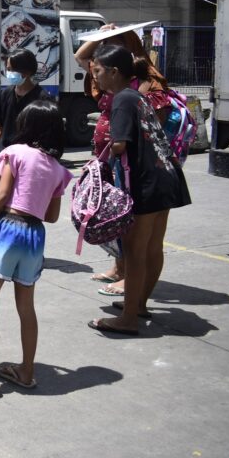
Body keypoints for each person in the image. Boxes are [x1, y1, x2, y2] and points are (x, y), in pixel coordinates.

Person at [0, 101, 72, 394]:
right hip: (34, 234)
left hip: (8, 228)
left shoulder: (15, 153)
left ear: (26, 126)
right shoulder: (58, 169)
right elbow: (52, 216)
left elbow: (2, 193)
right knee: (26, 306)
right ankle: (26, 370)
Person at [87, 45, 191, 337]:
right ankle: (139, 305)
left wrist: (95, 166)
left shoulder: (121, 100)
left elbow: (118, 144)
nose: (95, 78)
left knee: (134, 251)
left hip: (146, 184)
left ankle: (129, 318)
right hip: (167, 177)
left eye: (97, 72)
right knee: (152, 247)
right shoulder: (137, 97)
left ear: (114, 72)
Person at [74, 24, 171, 293]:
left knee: (139, 239)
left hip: (136, 168)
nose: (94, 70)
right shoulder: (111, 81)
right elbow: (81, 57)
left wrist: (114, 150)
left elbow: (146, 130)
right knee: (119, 222)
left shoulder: (137, 88)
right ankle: (126, 281)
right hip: (121, 164)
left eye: (111, 43)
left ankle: (132, 295)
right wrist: (98, 36)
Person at [0, 49, 52, 153]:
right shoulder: (5, 94)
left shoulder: (42, 99)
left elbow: (46, 134)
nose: (8, 73)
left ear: (26, 72)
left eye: (12, 70)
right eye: (8, 69)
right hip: (4, 153)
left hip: (27, 156)